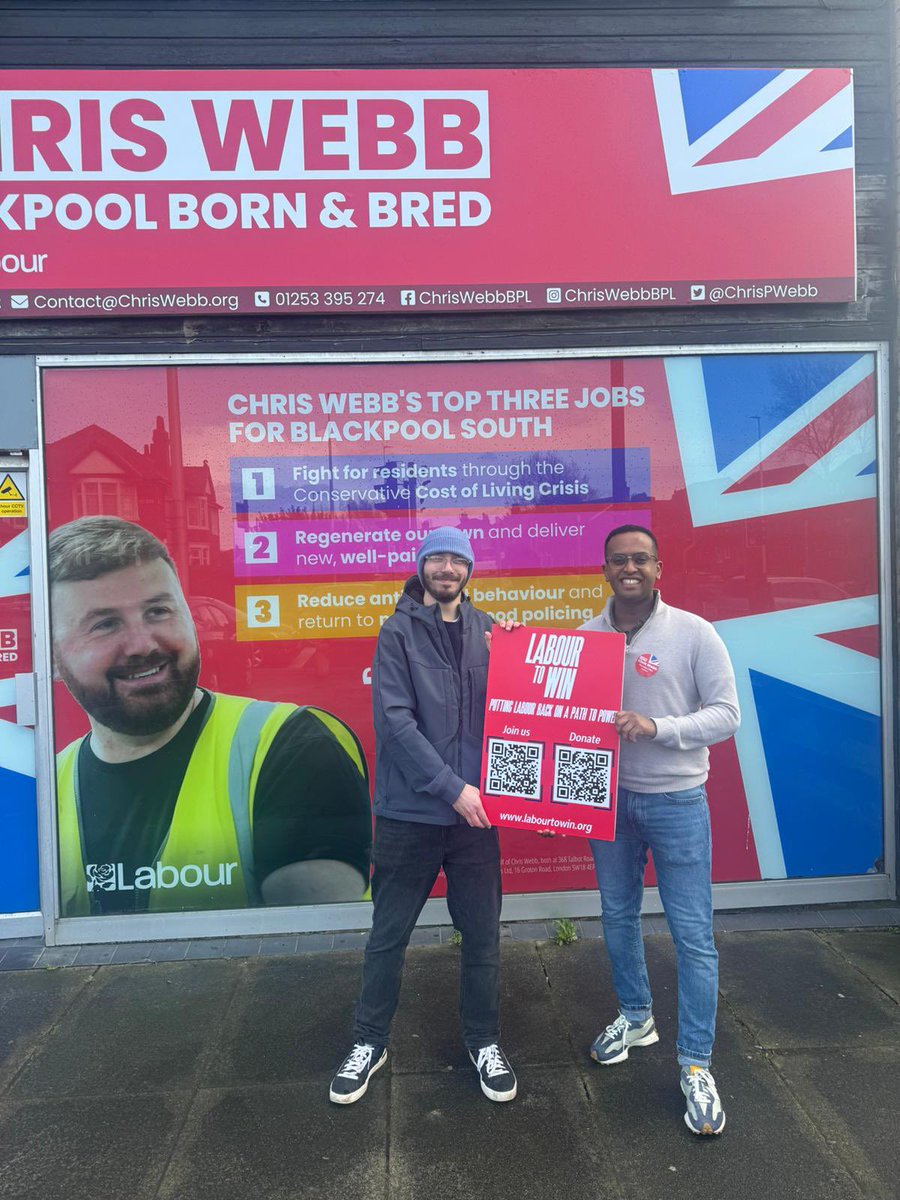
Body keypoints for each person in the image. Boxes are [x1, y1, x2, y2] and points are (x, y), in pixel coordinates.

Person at [50, 516, 371, 916]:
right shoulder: (45, 788)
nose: (143, 644)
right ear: (53, 655)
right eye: (105, 624)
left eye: (158, 611)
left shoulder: (293, 745)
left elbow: (318, 954)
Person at [329, 526, 517, 1105]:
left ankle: (483, 1041)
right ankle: (369, 1041)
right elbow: (395, 723)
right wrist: (451, 788)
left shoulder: (492, 632)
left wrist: (521, 657)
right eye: (435, 558)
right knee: (388, 936)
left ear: (468, 570)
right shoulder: (396, 632)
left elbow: (520, 713)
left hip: (476, 818)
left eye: (455, 559)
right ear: (422, 567)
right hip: (411, 813)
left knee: (482, 936)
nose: (446, 568)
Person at [581, 524, 739, 1136]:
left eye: (640, 559)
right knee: (617, 916)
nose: (629, 568)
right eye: (618, 560)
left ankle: (696, 1063)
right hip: (608, 803)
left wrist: (659, 728)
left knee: (693, 934)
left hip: (676, 800)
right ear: (605, 569)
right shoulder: (584, 637)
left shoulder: (695, 633)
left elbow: (727, 714)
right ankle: (636, 1015)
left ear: (658, 567)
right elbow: (550, 716)